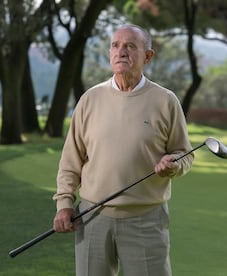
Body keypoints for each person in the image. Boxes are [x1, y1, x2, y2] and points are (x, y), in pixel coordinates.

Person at [52, 24, 195, 276]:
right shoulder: (90, 99)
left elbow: (184, 153)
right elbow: (70, 160)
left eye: (130, 46)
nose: (121, 52)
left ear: (147, 56)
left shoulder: (165, 101)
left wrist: (173, 163)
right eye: (116, 45)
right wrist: (64, 203)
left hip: (146, 220)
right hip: (92, 217)